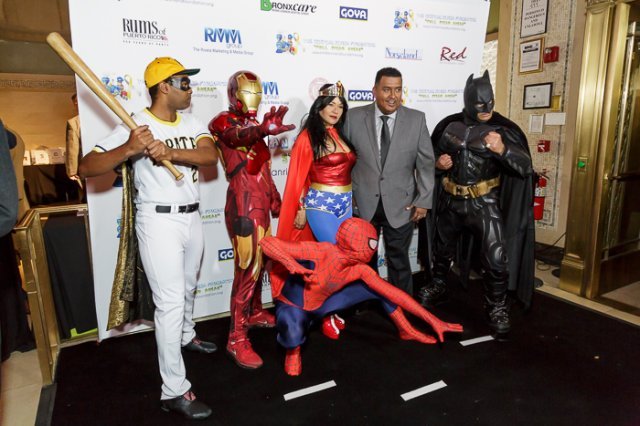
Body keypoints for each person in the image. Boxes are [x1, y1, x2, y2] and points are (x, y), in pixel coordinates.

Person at [79, 57, 218, 420]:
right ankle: (174, 390)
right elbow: (85, 167)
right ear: (164, 87)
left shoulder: (191, 122)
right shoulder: (136, 125)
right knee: (169, 303)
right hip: (158, 222)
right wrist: (129, 149)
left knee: (188, 287)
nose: (190, 88)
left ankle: (186, 335)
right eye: (184, 82)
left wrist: (170, 152)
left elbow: (210, 156)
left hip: (192, 217)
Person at [260, 217, 463, 376]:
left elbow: (396, 295)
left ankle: (406, 330)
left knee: (379, 290)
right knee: (293, 332)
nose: (374, 247)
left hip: (325, 303)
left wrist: (433, 320)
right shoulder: (321, 251)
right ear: (355, 244)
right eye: (372, 242)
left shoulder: (360, 270)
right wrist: (289, 262)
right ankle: (293, 351)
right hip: (295, 307)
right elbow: (266, 242)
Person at [418, 71, 534, 336]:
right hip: (451, 199)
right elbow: (429, 158)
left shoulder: (502, 130)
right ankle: (439, 284)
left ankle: (496, 305)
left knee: (496, 256)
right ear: (469, 101)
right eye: (480, 103)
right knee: (441, 249)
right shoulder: (449, 127)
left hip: (484, 202)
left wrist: (503, 150)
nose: (486, 108)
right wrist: (438, 164)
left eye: (490, 102)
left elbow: (525, 167)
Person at [209, 70, 295, 370]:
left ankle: (255, 311)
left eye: (257, 92)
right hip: (243, 205)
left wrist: (276, 198)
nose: (253, 98)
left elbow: (262, 169)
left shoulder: (255, 128)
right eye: (248, 92)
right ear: (234, 94)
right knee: (247, 269)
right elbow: (237, 137)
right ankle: (236, 337)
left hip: (259, 205)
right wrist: (260, 130)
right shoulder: (223, 121)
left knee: (261, 263)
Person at [344, 67, 435, 296]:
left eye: (397, 90)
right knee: (364, 261)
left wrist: (423, 200)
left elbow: (425, 163)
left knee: (399, 262)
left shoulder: (416, 119)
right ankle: (366, 303)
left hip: (402, 204)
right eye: (386, 90)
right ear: (374, 91)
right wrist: (347, 197)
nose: (393, 96)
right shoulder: (353, 118)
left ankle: (401, 306)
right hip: (362, 203)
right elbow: (342, 160)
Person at [65, 93, 84, 199]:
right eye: (75, 102)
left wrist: (72, 171)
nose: (76, 104)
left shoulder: (74, 122)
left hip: (86, 163)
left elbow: (72, 148)